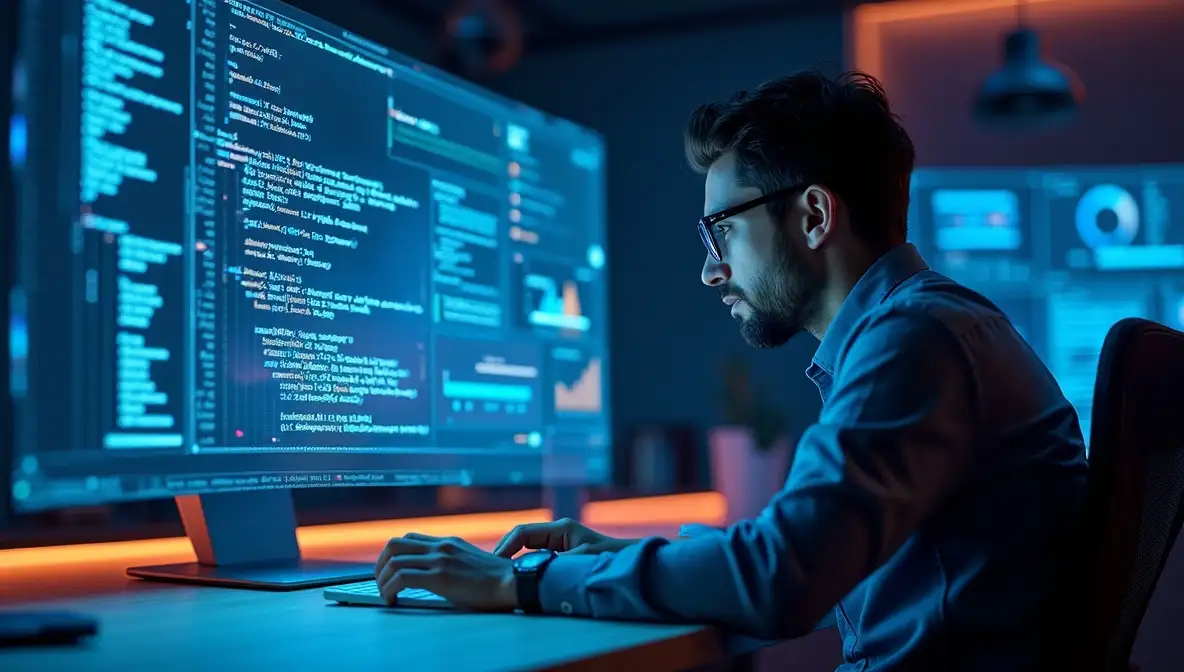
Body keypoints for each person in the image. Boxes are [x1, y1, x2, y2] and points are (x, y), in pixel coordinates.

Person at [373, 70, 1089, 670]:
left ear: (813, 216)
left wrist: (526, 582)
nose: (712, 271)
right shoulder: (927, 328)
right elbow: (808, 559)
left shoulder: (916, 338)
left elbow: (781, 580)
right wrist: (623, 560)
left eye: (723, 230)